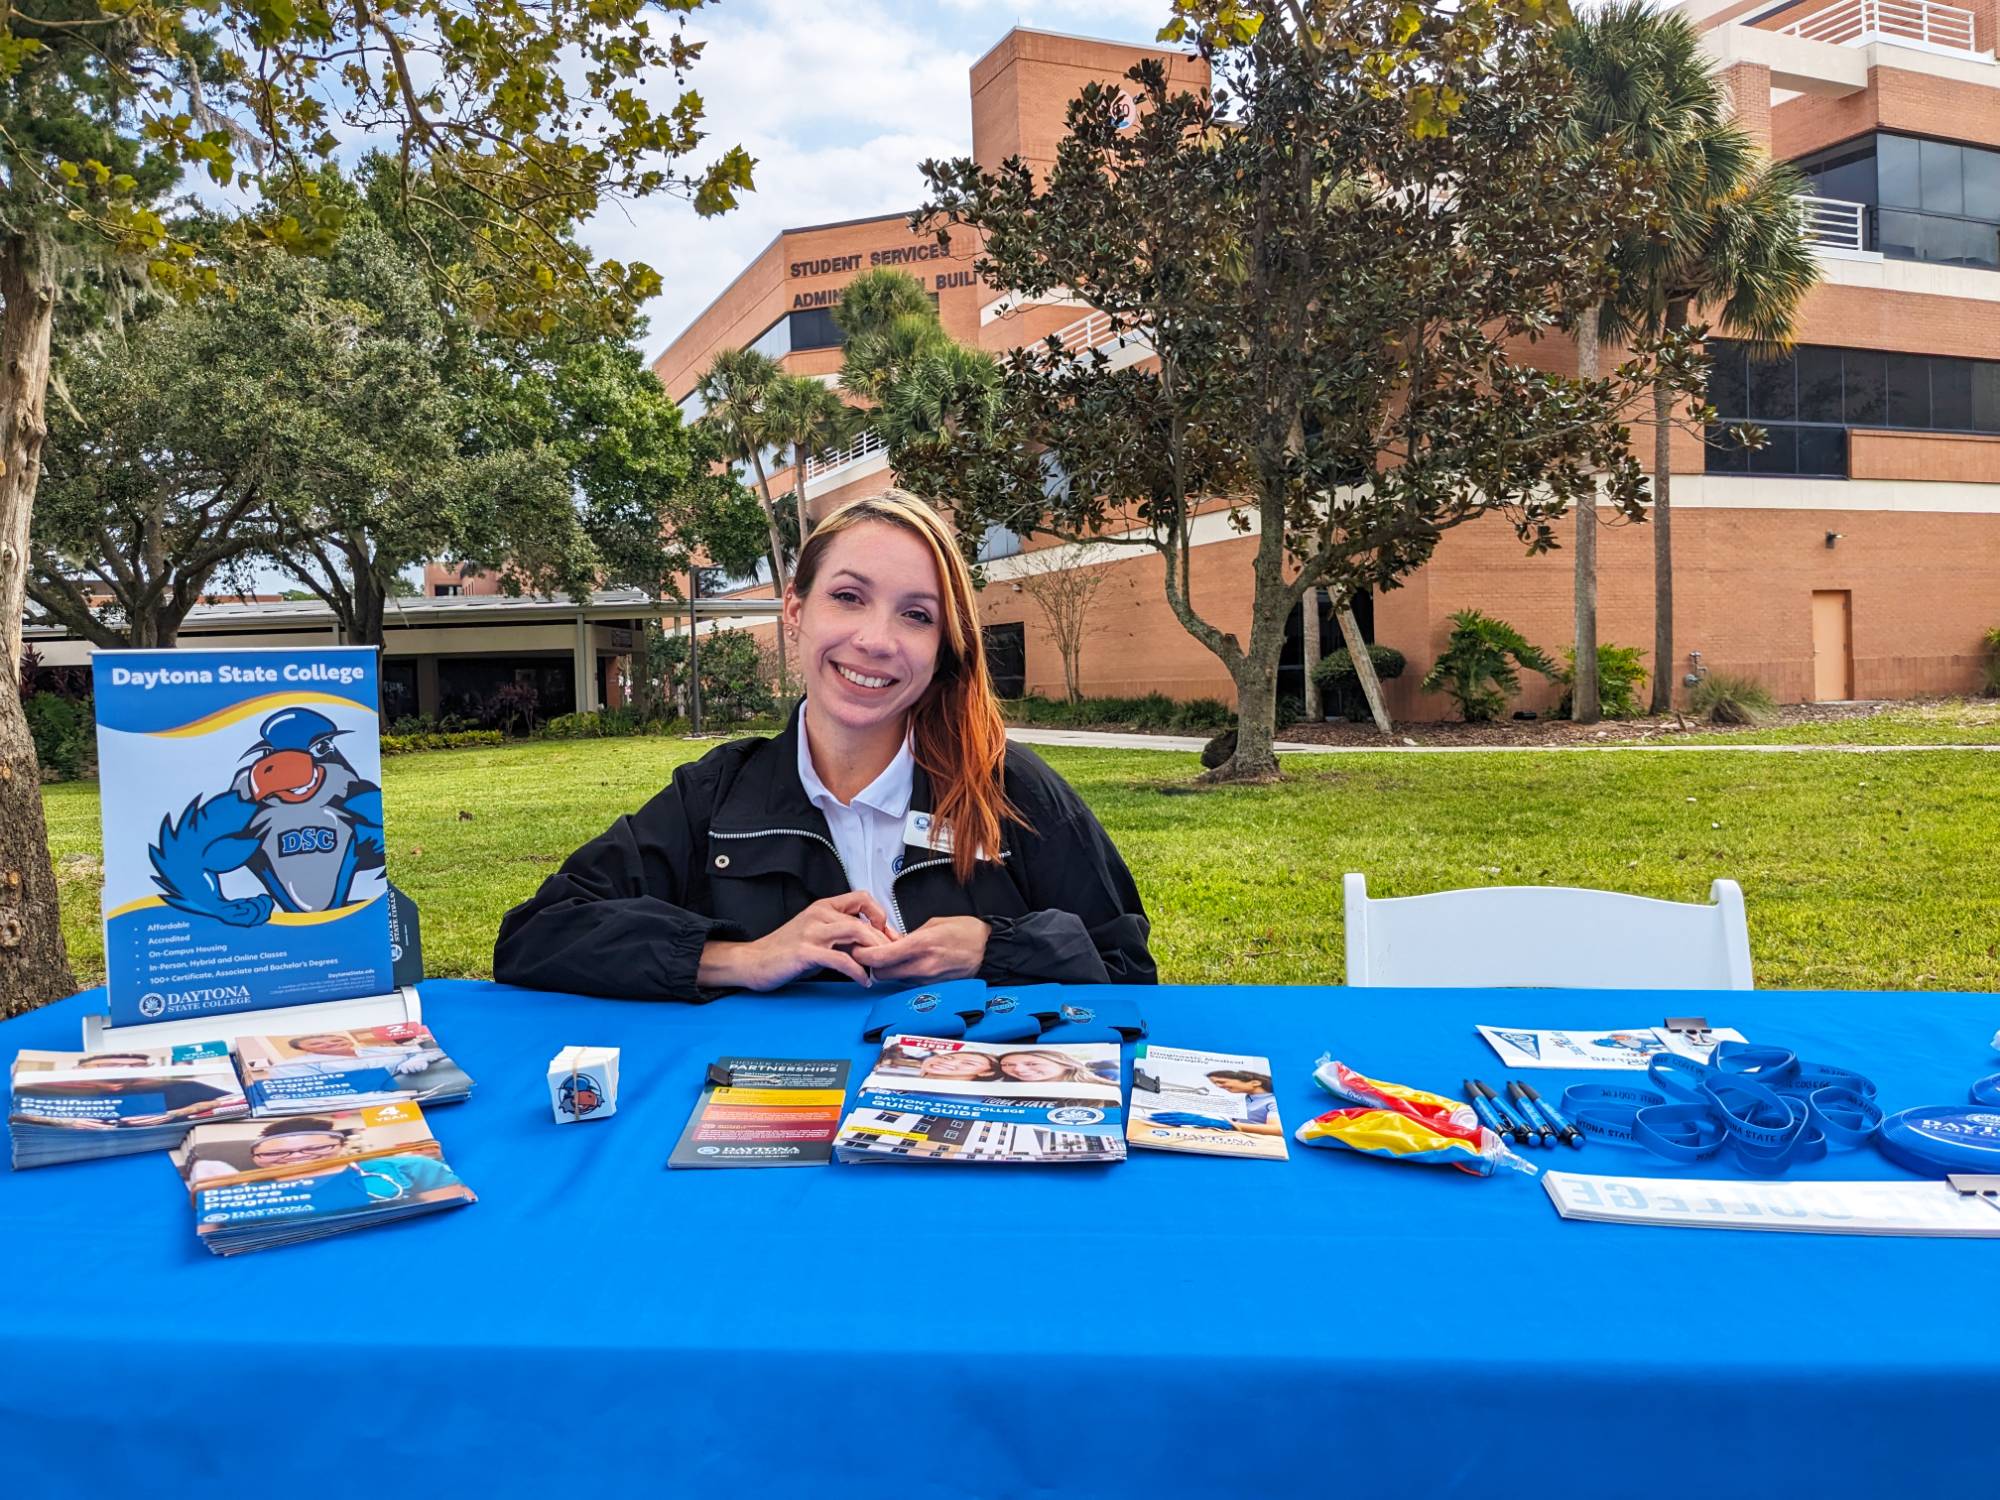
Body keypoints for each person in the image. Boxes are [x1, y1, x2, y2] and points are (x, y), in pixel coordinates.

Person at [494, 489, 1156, 999]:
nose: (876, 639)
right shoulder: (717, 799)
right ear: (796, 611)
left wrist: (993, 948)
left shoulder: (1013, 792)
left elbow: (1126, 969)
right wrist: (746, 958)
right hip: (779, 1148)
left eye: (916, 615)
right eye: (848, 597)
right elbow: (536, 935)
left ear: (943, 646)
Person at [997, 1049, 1118, 1089]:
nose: (1018, 1070)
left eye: (1032, 1064)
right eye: (1008, 1065)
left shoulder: (1111, 1088)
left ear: (1066, 1065)